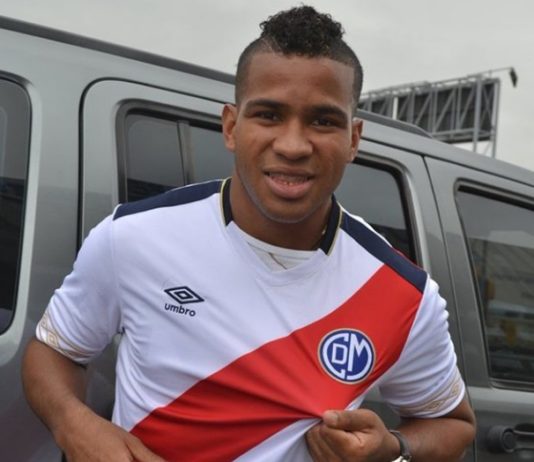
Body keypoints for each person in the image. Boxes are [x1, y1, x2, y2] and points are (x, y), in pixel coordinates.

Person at [22, 5, 476, 462]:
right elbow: (55, 352)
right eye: (269, 115)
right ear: (231, 126)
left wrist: (393, 448)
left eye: (323, 121)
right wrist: (75, 426)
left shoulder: (403, 294)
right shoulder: (133, 237)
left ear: (353, 139)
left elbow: (453, 425)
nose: (293, 145)